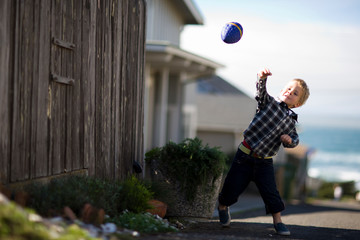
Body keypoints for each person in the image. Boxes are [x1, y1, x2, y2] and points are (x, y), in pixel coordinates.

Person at [217, 67, 310, 236]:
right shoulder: (268, 103)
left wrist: (290, 140)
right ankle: (223, 206)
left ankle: (278, 221)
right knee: (231, 188)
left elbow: (295, 139)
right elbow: (261, 93)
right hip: (244, 157)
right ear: (282, 91)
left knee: (271, 193)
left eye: (295, 93)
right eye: (288, 89)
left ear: (297, 104)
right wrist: (262, 78)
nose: (290, 92)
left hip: (264, 162)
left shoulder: (290, 122)